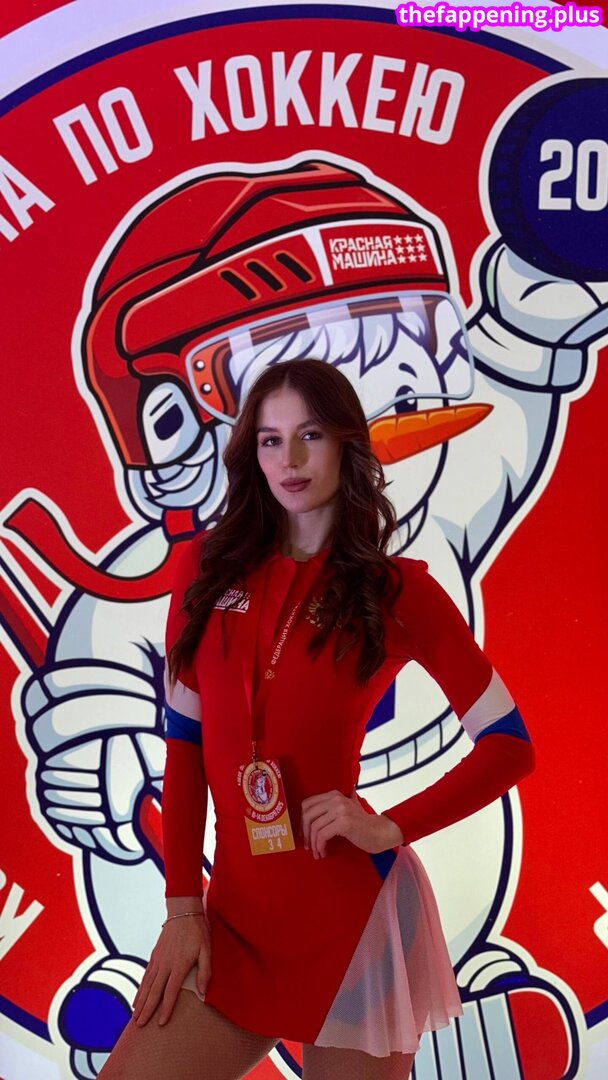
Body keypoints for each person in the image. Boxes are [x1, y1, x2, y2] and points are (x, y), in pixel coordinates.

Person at [99, 358, 535, 1080]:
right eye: (270, 440)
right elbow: (184, 751)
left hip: (356, 930)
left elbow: (510, 746)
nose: (290, 460)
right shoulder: (205, 569)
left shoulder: (397, 592)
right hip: (234, 927)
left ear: (346, 443)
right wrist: (182, 911)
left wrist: (390, 826)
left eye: (310, 436)